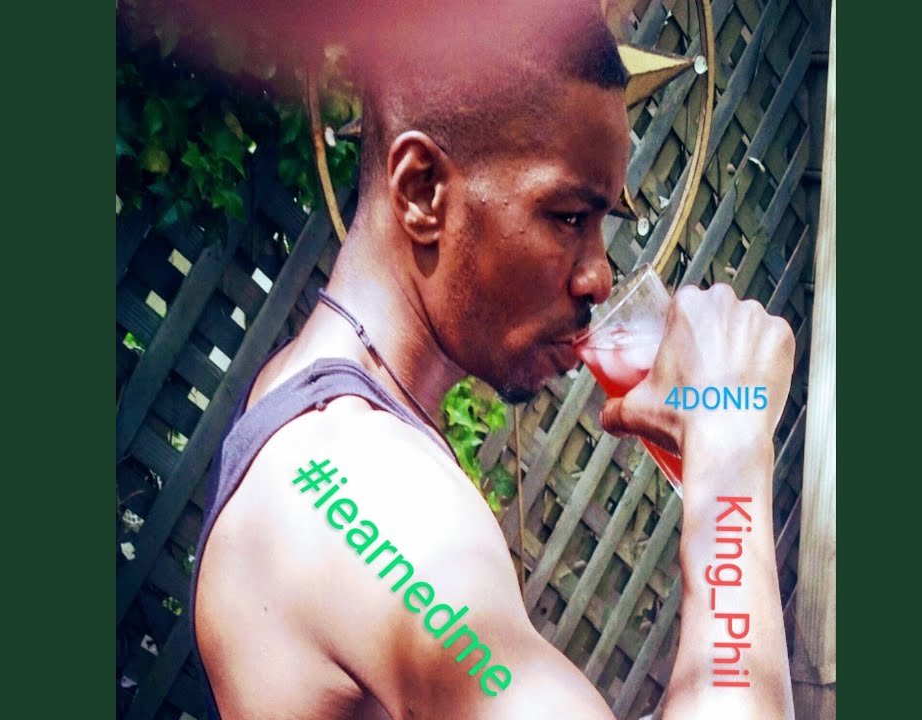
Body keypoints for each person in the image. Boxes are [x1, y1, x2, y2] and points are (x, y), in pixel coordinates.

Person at [190, 2, 797, 717]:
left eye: (601, 224)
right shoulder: (361, 478)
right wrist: (731, 447)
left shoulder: (307, 393)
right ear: (421, 191)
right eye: (568, 217)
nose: (599, 277)